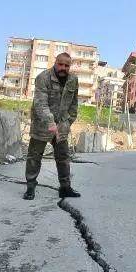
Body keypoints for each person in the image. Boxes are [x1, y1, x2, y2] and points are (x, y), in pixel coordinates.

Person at [23, 52, 81, 200]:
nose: (63, 68)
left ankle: (65, 188)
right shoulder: (43, 78)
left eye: (66, 65)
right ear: (55, 63)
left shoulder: (73, 80)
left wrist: (68, 122)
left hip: (61, 124)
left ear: (69, 66)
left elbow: (74, 104)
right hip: (42, 123)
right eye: (60, 64)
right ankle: (30, 187)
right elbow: (40, 104)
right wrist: (50, 123)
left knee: (63, 157)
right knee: (34, 157)